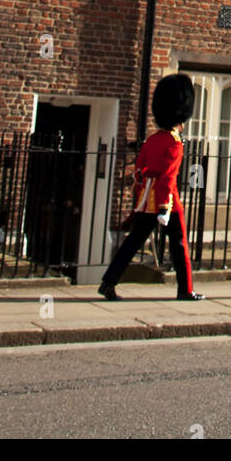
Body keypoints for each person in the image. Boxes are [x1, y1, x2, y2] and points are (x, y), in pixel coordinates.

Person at [98, 73, 204, 301]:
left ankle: (108, 282)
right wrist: (165, 207)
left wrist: (139, 203)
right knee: (179, 245)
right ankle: (185, 290)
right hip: (168, 202)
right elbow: (168, 176)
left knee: (132, 243)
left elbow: (138, 173)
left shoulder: (152, 140)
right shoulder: (174, 143)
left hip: (147, 200)